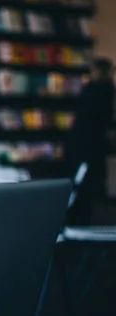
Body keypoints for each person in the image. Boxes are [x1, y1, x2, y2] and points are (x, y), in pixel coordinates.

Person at [65, 57, 115, 225]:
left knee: (80, 181)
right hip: (95, 143)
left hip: (81, 142)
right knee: (92, 182)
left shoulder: (90, 89)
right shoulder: (108, 90)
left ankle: (77, 217)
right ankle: (87, 218)